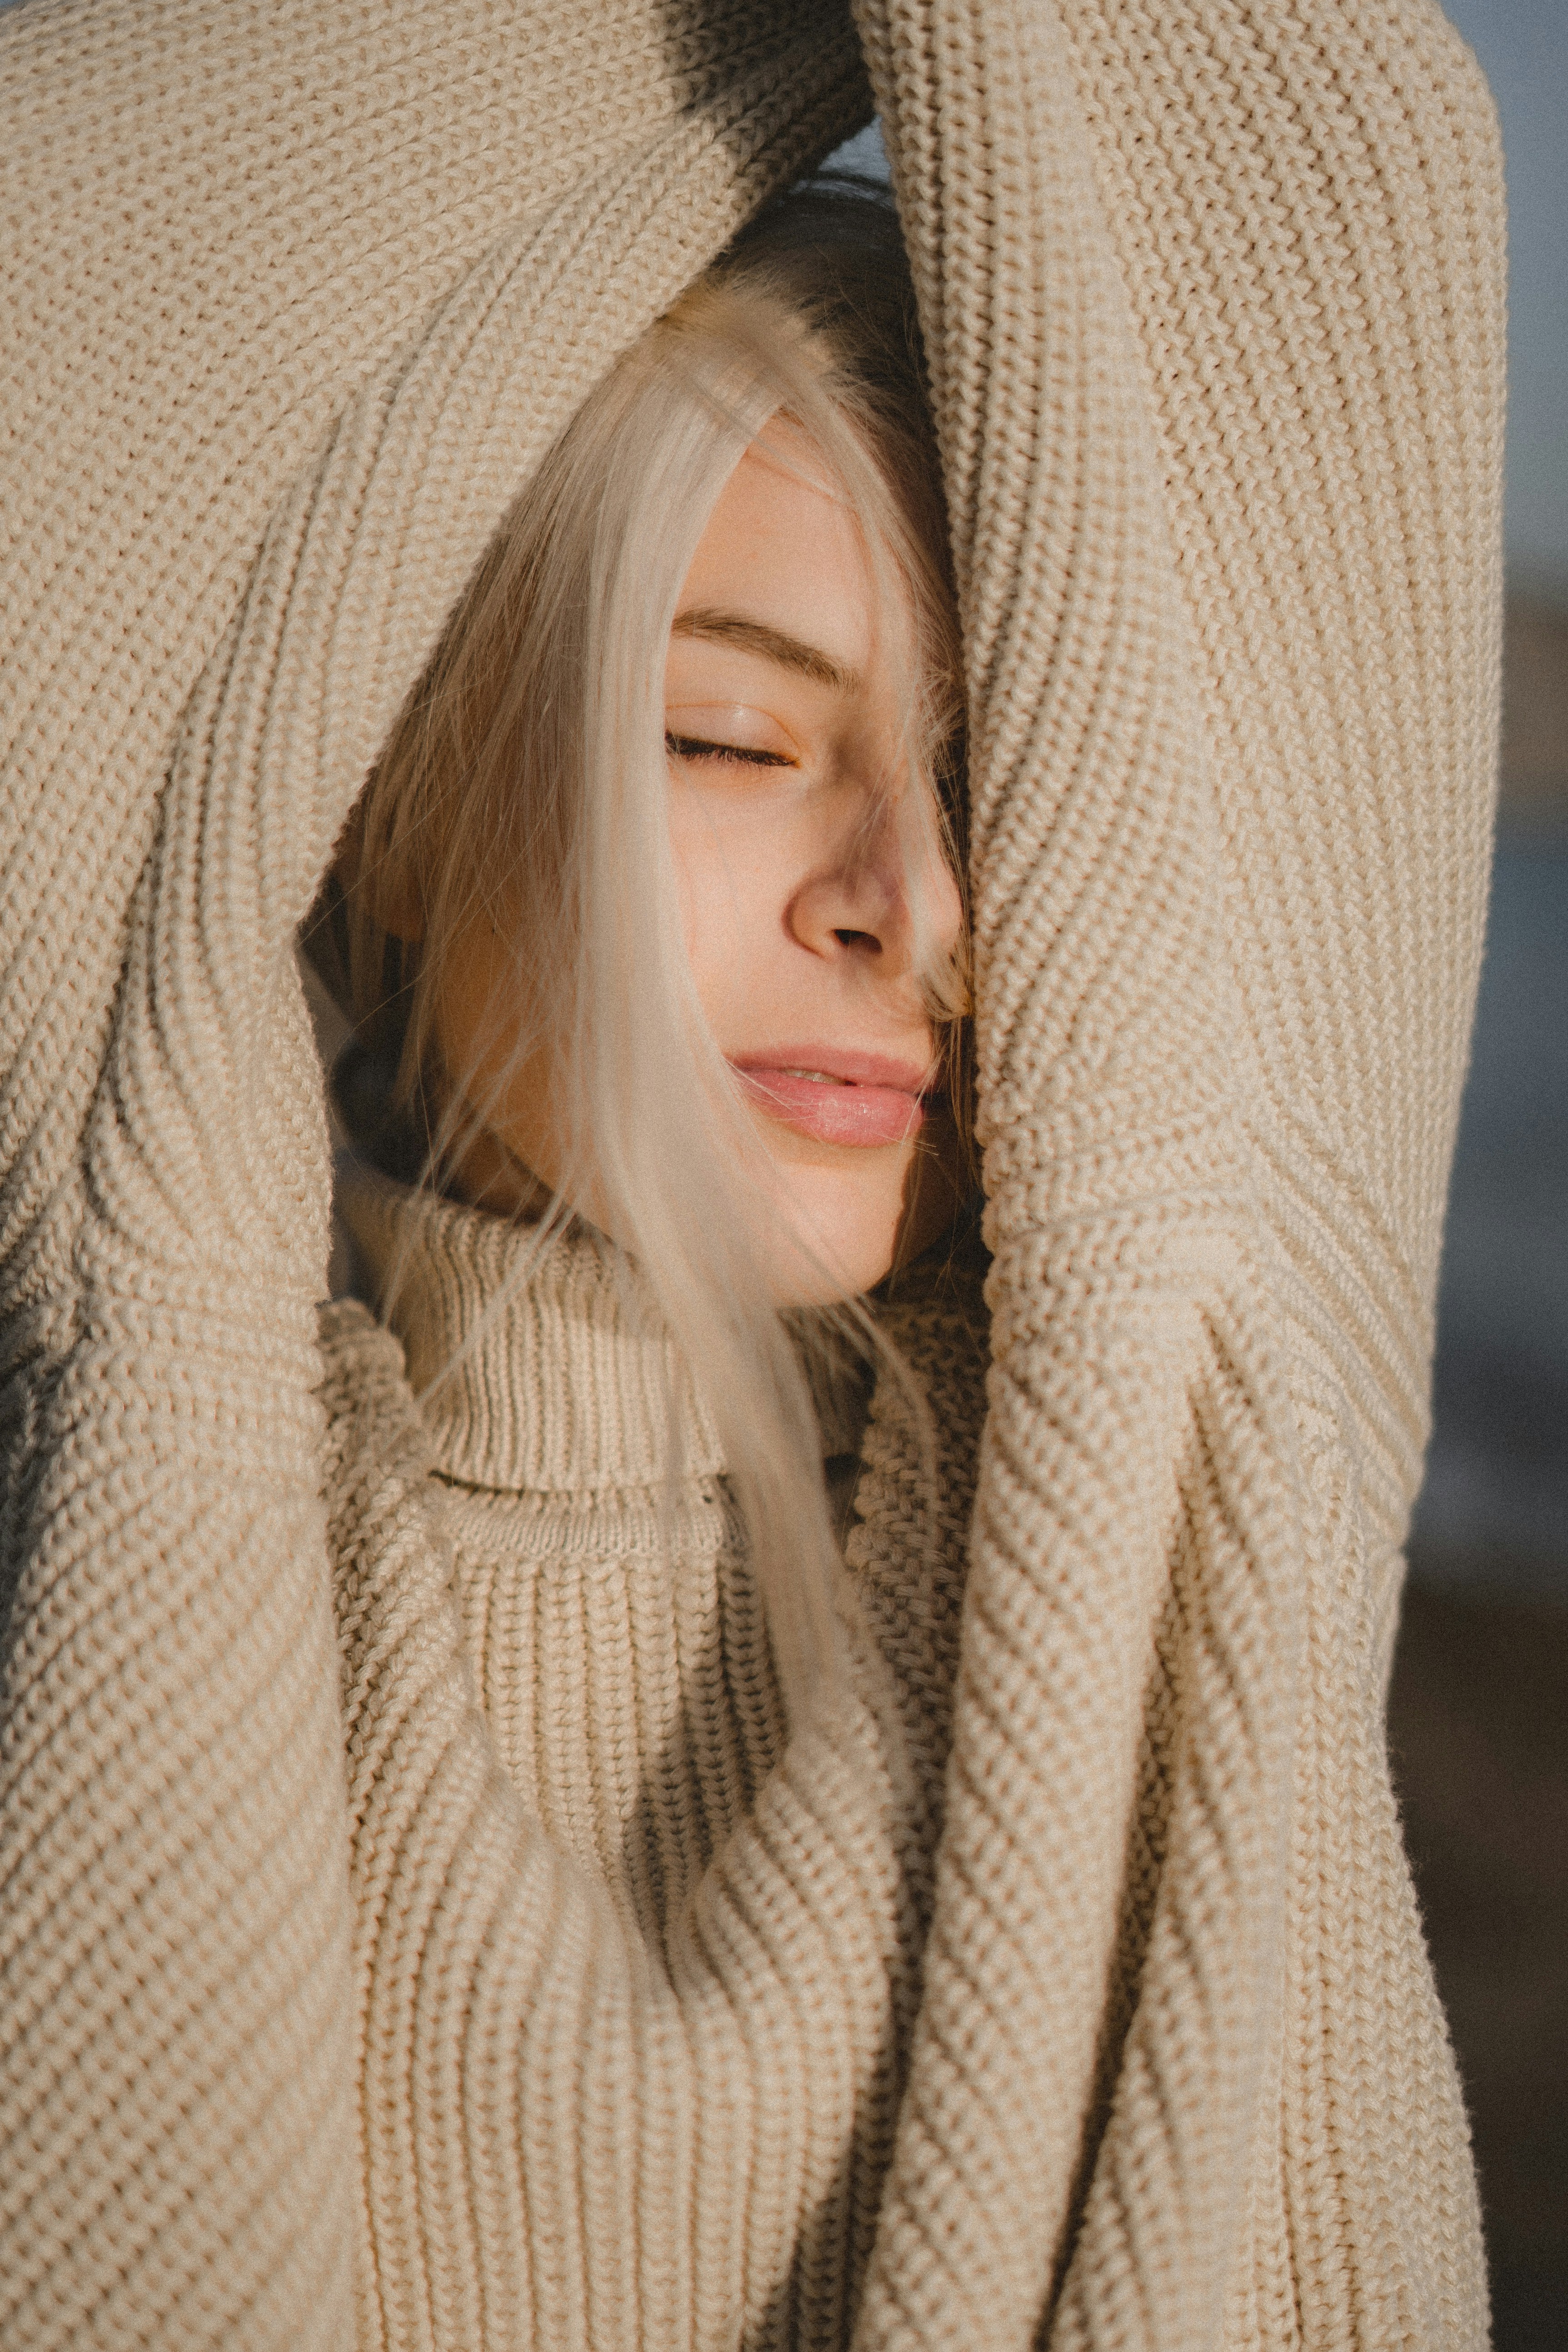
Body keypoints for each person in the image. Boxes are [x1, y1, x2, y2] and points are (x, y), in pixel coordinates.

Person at [0, 1, 1505, 2346]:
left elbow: (1360, 162)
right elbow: (68, 228)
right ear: (384, 797)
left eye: (1011, 786)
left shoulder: (1167, 1483)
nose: (917, 903)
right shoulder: (114, 1383)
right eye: (727, 732)